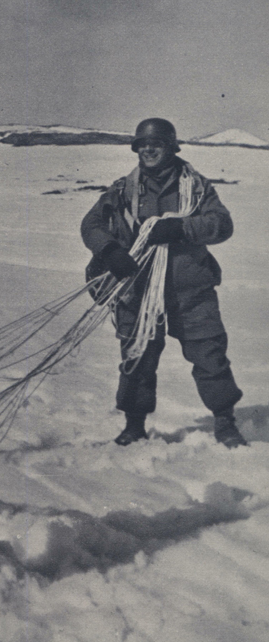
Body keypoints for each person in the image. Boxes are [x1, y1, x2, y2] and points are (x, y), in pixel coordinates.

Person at [81, 118, 246, 449]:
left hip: (191, 289)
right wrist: (110, 250)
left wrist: (182, 228)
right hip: (138, 289)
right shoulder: (123, 189)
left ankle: (225, 422)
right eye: (142, 145)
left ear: (171, 148)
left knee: (209, 355)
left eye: (155, 144)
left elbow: (222, 224)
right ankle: (134, 425)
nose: (148, 150)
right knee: (137, 357)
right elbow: (91, 224)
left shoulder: (196, 187)